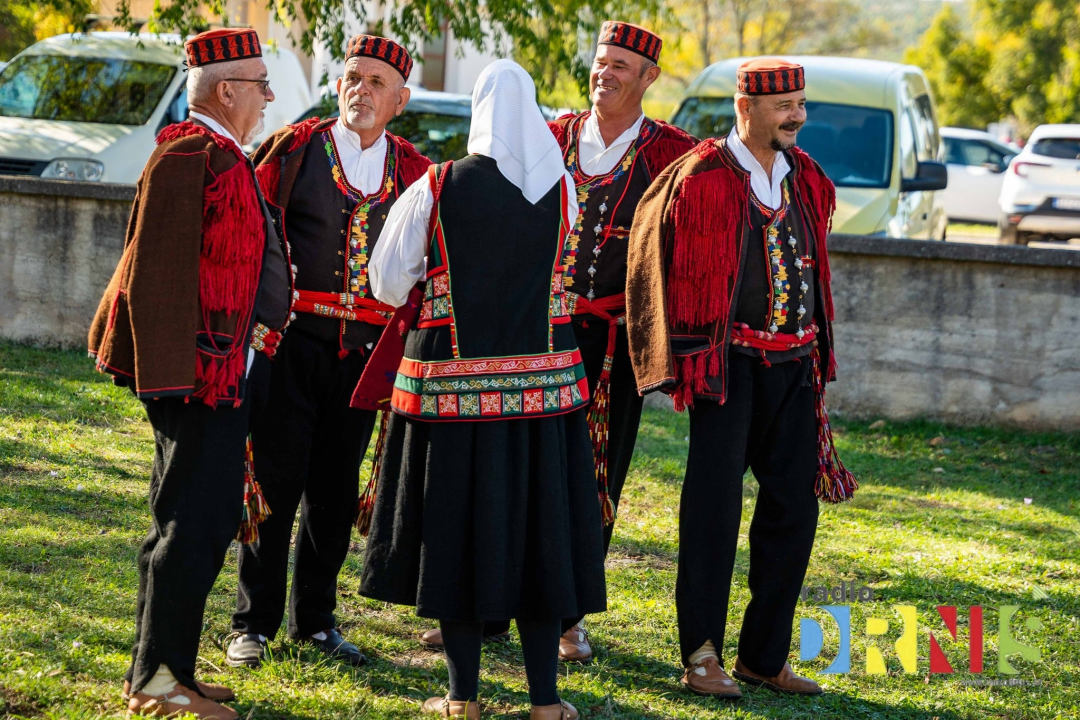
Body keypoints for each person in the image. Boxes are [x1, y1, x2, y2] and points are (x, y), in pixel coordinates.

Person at [416, 20, 697, 665]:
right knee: (515, 466)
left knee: (595, 478)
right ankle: (486, 608)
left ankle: (567, 616)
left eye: (621, 65)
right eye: (601, 61)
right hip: (535, 335)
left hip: (616, 344)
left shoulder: (672, 154)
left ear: (649, 77)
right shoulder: (550, 136)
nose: (606, 73)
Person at [358, 59, 607, 720]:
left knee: (458, 538)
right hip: (544, 402)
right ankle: (546, 703)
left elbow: (386, 283)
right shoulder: (564, 191)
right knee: (539, 539)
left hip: (453, 401)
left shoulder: (435, 187)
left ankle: (462, 699)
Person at [626, 58, 857, 698]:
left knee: (792, 510)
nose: (798, 117)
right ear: (745, 107)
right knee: (713, 511)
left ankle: (763, 656)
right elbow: (652, 263)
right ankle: (700, 653)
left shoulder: (807, 177)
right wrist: (674, 355)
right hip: (725, 370)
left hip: (796, 367)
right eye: (785, 106)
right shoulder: (699, 177)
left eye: (802, 105)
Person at [87, 28, 290, 719]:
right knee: (191, 527)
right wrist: (183, 379)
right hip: (200, 380)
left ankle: (167, 668)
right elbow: (158, 278)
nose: (268, 97)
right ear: (226, 89)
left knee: (191, 524)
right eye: (260, 83)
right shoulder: (188, 153)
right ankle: (157, 683)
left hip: (221, 374)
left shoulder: (220, 151)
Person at [223, 35, 432, 669]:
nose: (360, 90)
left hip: (366, 358)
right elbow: (248, 232)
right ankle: (251, 624)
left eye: (375, 83)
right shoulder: (294, 148)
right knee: (275, 480)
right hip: (292, 343)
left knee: (336, 490)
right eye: (352, 77)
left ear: (399, 99)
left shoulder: (415, 172)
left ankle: (314, 619)